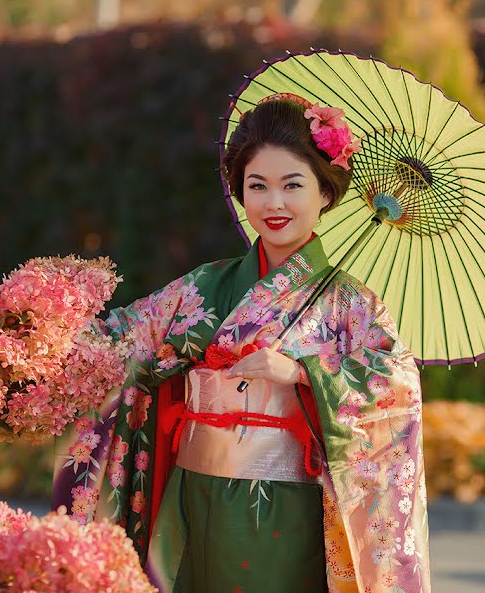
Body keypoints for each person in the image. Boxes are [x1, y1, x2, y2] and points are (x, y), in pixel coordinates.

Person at [53, 95, 431, 593]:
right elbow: (125, 336)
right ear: (241, 192)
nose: (274, 203)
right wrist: (44, 329)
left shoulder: (351, 304)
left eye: (292, 185)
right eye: (258, 186)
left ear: (324, 193)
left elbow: (396, 387)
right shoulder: (206, 286)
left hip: (288, 508)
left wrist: (301, 372)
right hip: (193, 491)